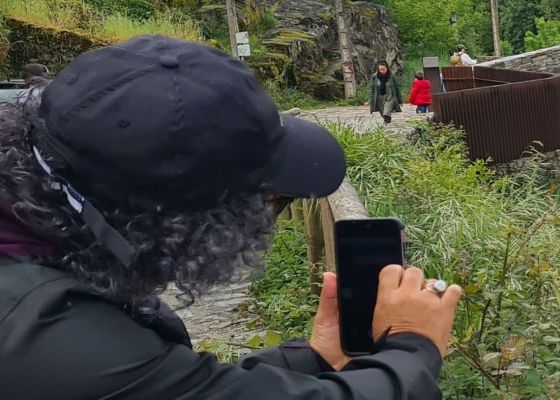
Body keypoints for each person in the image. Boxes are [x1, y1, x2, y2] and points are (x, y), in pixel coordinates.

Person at [0, 35, 462, 398]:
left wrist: (314, 356)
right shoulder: (47, 335)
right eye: (265, 202)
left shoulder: (37, 244)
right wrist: (411, 347)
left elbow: (166, 386)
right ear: (177, 219)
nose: (267, 215)